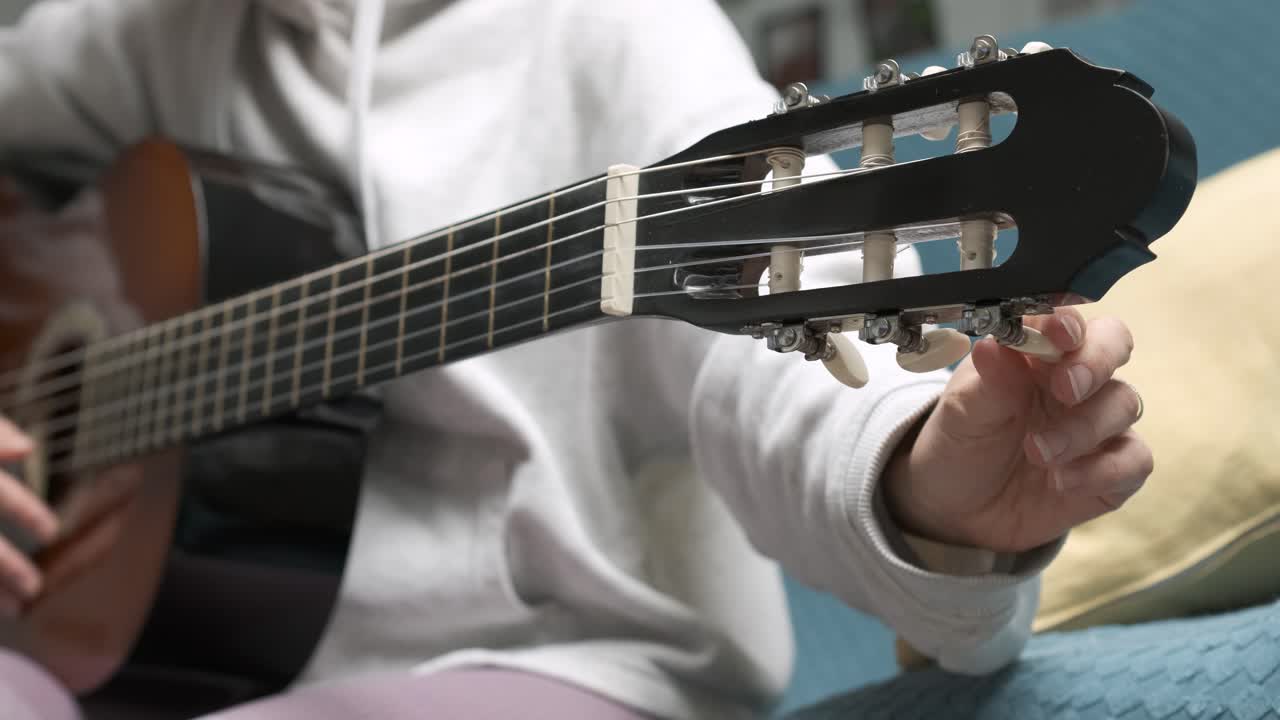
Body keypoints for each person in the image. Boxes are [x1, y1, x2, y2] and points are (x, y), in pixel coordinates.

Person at [0, 0, 1151, 718]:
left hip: (548, 658)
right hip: (155, 644)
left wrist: (923, 481)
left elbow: (767, 369)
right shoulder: (147, 33)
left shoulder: (615, 32)